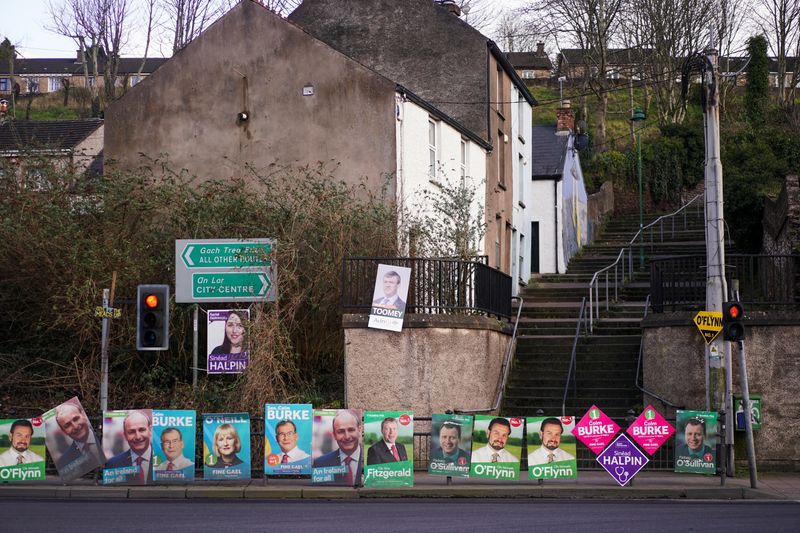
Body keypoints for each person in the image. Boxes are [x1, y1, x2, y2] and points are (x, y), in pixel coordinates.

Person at [313, 409, 362, 485]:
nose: (347, 436)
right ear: (334, 435)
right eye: (341, 431)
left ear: (359, 430)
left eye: (351, 430)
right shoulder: (320, 464)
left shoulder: (372, 459)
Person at [53, 401, 104, 472]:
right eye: (67, 425)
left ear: (83, 415)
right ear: (64, 431)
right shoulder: (63, 462)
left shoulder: (107, 442)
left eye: (76, 419)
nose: (75, 426)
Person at [105, 410, 154, 484]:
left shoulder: (165, 460)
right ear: (125, 435)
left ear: (150, 430)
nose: (138, 437)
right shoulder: (112, 464)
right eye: (131, 432)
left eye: (142, 430)